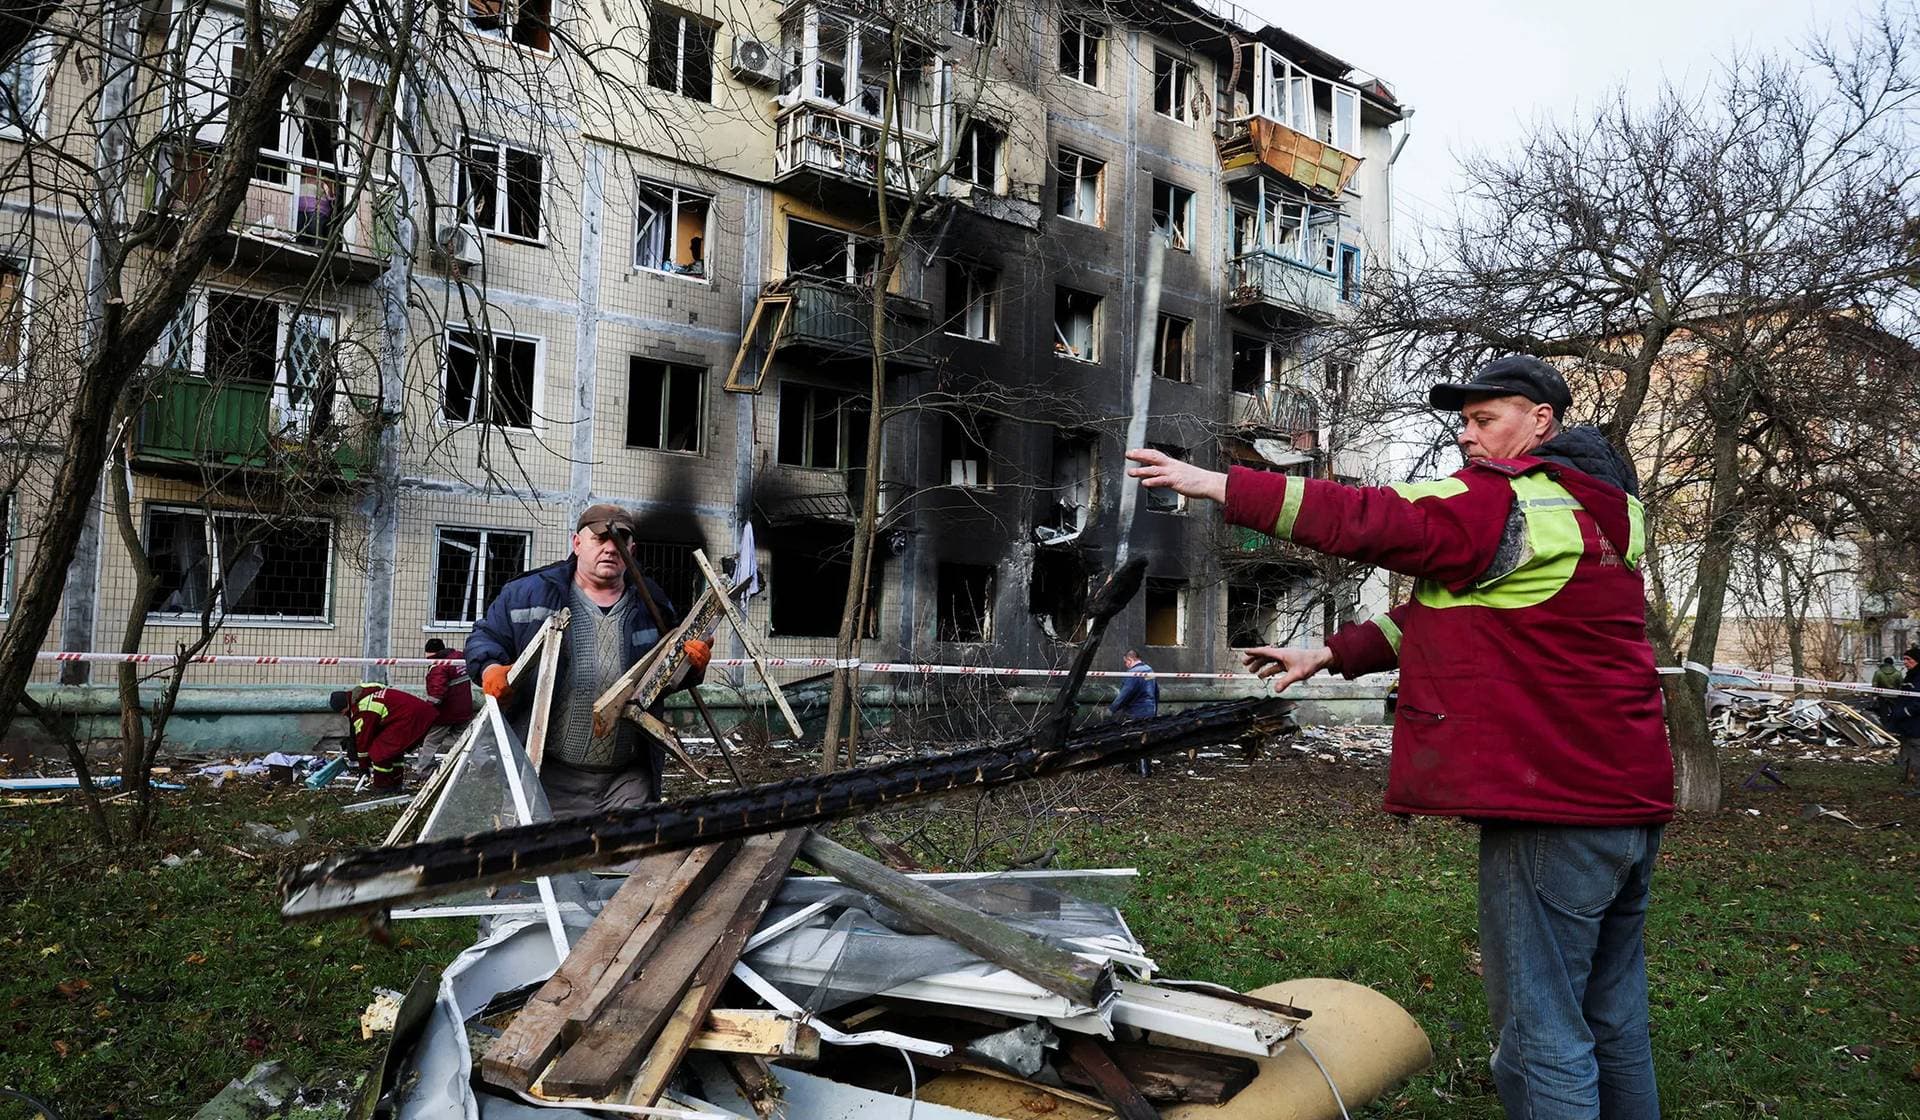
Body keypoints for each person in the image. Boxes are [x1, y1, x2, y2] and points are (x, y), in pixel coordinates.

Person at [1128, 355, 1673, 1120]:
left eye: (1486, 419)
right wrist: (1331, 652)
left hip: (1552, 805)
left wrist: (1224, 485)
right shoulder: (1600, 509)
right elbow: (1459, 607)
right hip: (1629, 802)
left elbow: (1377, 517)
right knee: (1613, 1018)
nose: (1467, 436)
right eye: (1464, 421)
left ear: (1541, 421)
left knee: (1540, 1030)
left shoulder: (1505, 499)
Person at [466, 503, 709, 817]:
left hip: (627, 782)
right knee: (546, 863)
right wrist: (490, 668)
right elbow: (484, 637)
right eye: (600, 539)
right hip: (546, 779)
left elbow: (660, 680)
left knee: (626, 865)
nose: (611, 548)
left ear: (632, 550)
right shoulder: (529, 593)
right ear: (577, 543)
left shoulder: (652, 602)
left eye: (621, 541)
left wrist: (691, 667)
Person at [331, 682, 440, 790]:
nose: (343, 715)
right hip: (418, 714)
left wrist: (363, 766)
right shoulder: (365, 694)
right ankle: (395, 783)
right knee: (393, 752)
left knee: (379, 753)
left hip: (410, 718)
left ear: (345, 706)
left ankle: (383, 786)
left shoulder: (363, 709)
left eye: (342, 712)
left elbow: (363, 740)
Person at [420, 638, 474, 772]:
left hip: (446, 713)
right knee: (465, 739)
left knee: (431, 741)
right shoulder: (458, 658)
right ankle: (481, 763)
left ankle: (425, 770)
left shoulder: (439, 667)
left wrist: (427, 711)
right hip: (464, 708)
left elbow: (436, 695)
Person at [1108, 649, 1159, 776]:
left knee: (1131, 739)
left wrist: (1113, 708)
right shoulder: (1150, 670)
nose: (1126, 665)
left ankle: (1134, 768)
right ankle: (1145, 770)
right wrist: (1155, 708)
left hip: (1135, 711)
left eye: (1126, 662)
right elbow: (1156, 691)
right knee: (1145, 739)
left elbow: (1126, 693)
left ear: (1130, 660)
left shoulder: (1133, 673)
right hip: (1149, 709)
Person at [1888, 647, 1920, 785]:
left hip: (1915, 722)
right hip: (1907, 722)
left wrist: (1905, 712)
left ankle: (1916, 779)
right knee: (1907, 749)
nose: (1905, 662)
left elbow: (1917, 701)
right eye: (1904, 659)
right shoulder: (1910, 675)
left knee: (1916, 749)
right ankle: (1909, 777)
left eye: (1909, 659)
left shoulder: (1918, 677)